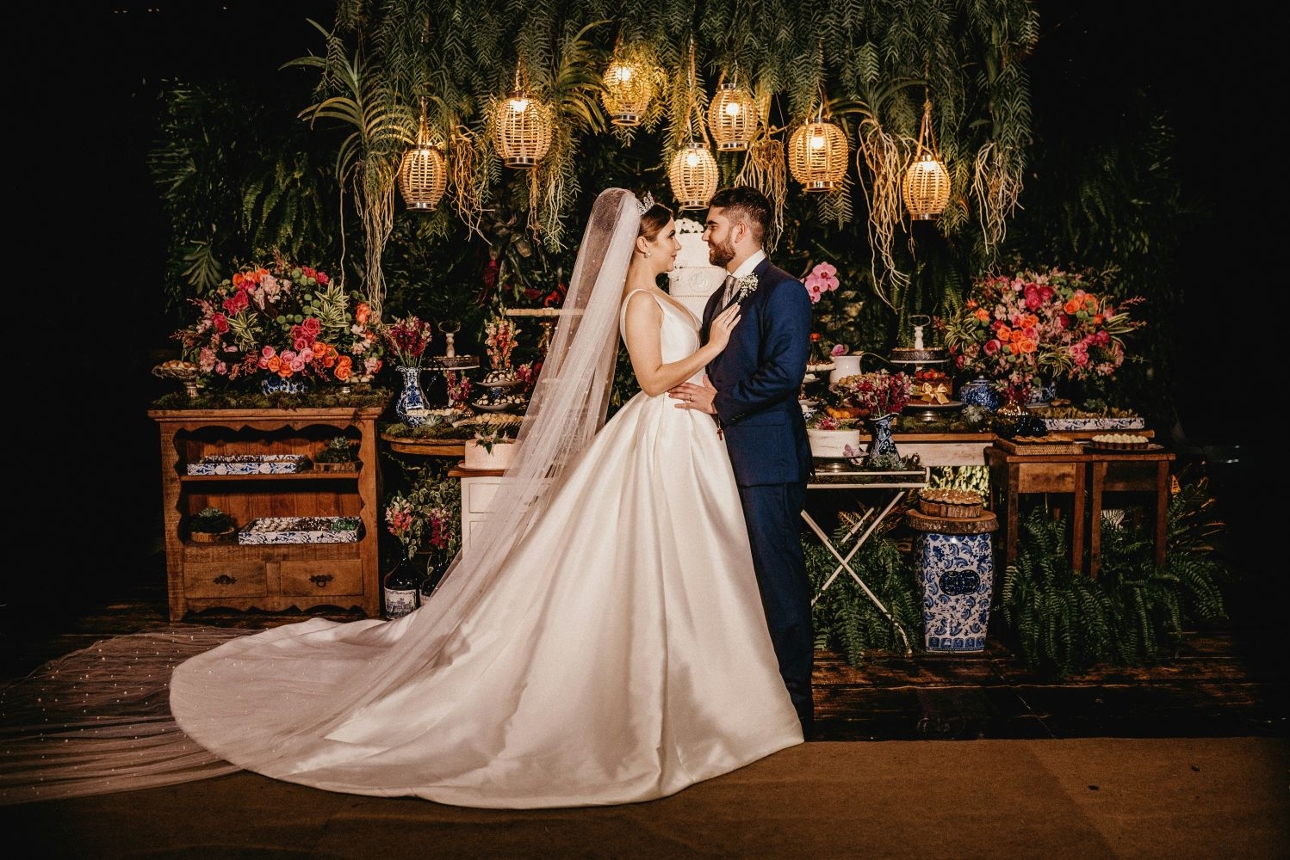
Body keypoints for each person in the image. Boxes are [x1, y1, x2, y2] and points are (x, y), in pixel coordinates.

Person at [165, 188, 803, 809]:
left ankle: (712, 684)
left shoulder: (694, 295)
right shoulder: (639, 302)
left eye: (695, 233)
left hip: (694, 438)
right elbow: (651, 378)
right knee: (654, 557)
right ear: (642, 240)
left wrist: (718, 377)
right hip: (664, 432)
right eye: (670, 237)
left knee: (700, 561)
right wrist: (715, 349)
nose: (684, 244)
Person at [667, 185, 816, 737]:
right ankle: (755, 699)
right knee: (739, 582)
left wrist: (717, 402)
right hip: (725, 458)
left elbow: (784, 375)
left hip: (768, 461)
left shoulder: (785, 292)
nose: (704, 235)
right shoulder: (721, 295)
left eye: (711, 225)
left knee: (779, 582)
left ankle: (797, 705)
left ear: (742, 228)